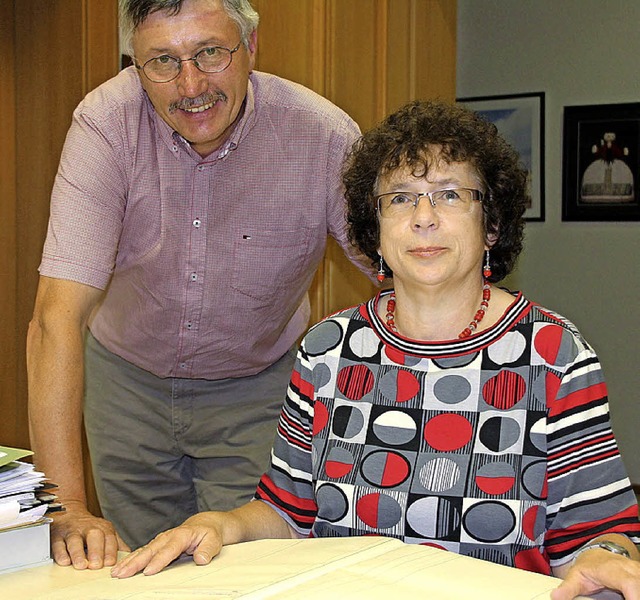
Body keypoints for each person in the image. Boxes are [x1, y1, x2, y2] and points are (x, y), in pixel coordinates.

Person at [110, 99, 640, 599]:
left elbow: (599, 531)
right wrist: (220, 523)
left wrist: (611, 555)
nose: (423, 217)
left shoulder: (553, 354)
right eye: (401, 198)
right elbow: (288, 512)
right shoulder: (327, 350)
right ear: (376, 231)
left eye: (451, 194)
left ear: (492, 226)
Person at [26, 0, 371, 571]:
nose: (190, 85)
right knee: (134, 570)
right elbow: (54, 318)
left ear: (251, 46)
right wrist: (65, 509)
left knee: (245, 570)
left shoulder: (324, 137)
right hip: (126, 384)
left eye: (210, 53)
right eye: (161, 61)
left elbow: (403, 274)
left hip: (258, 389)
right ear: (134, 65)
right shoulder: (105, 125)